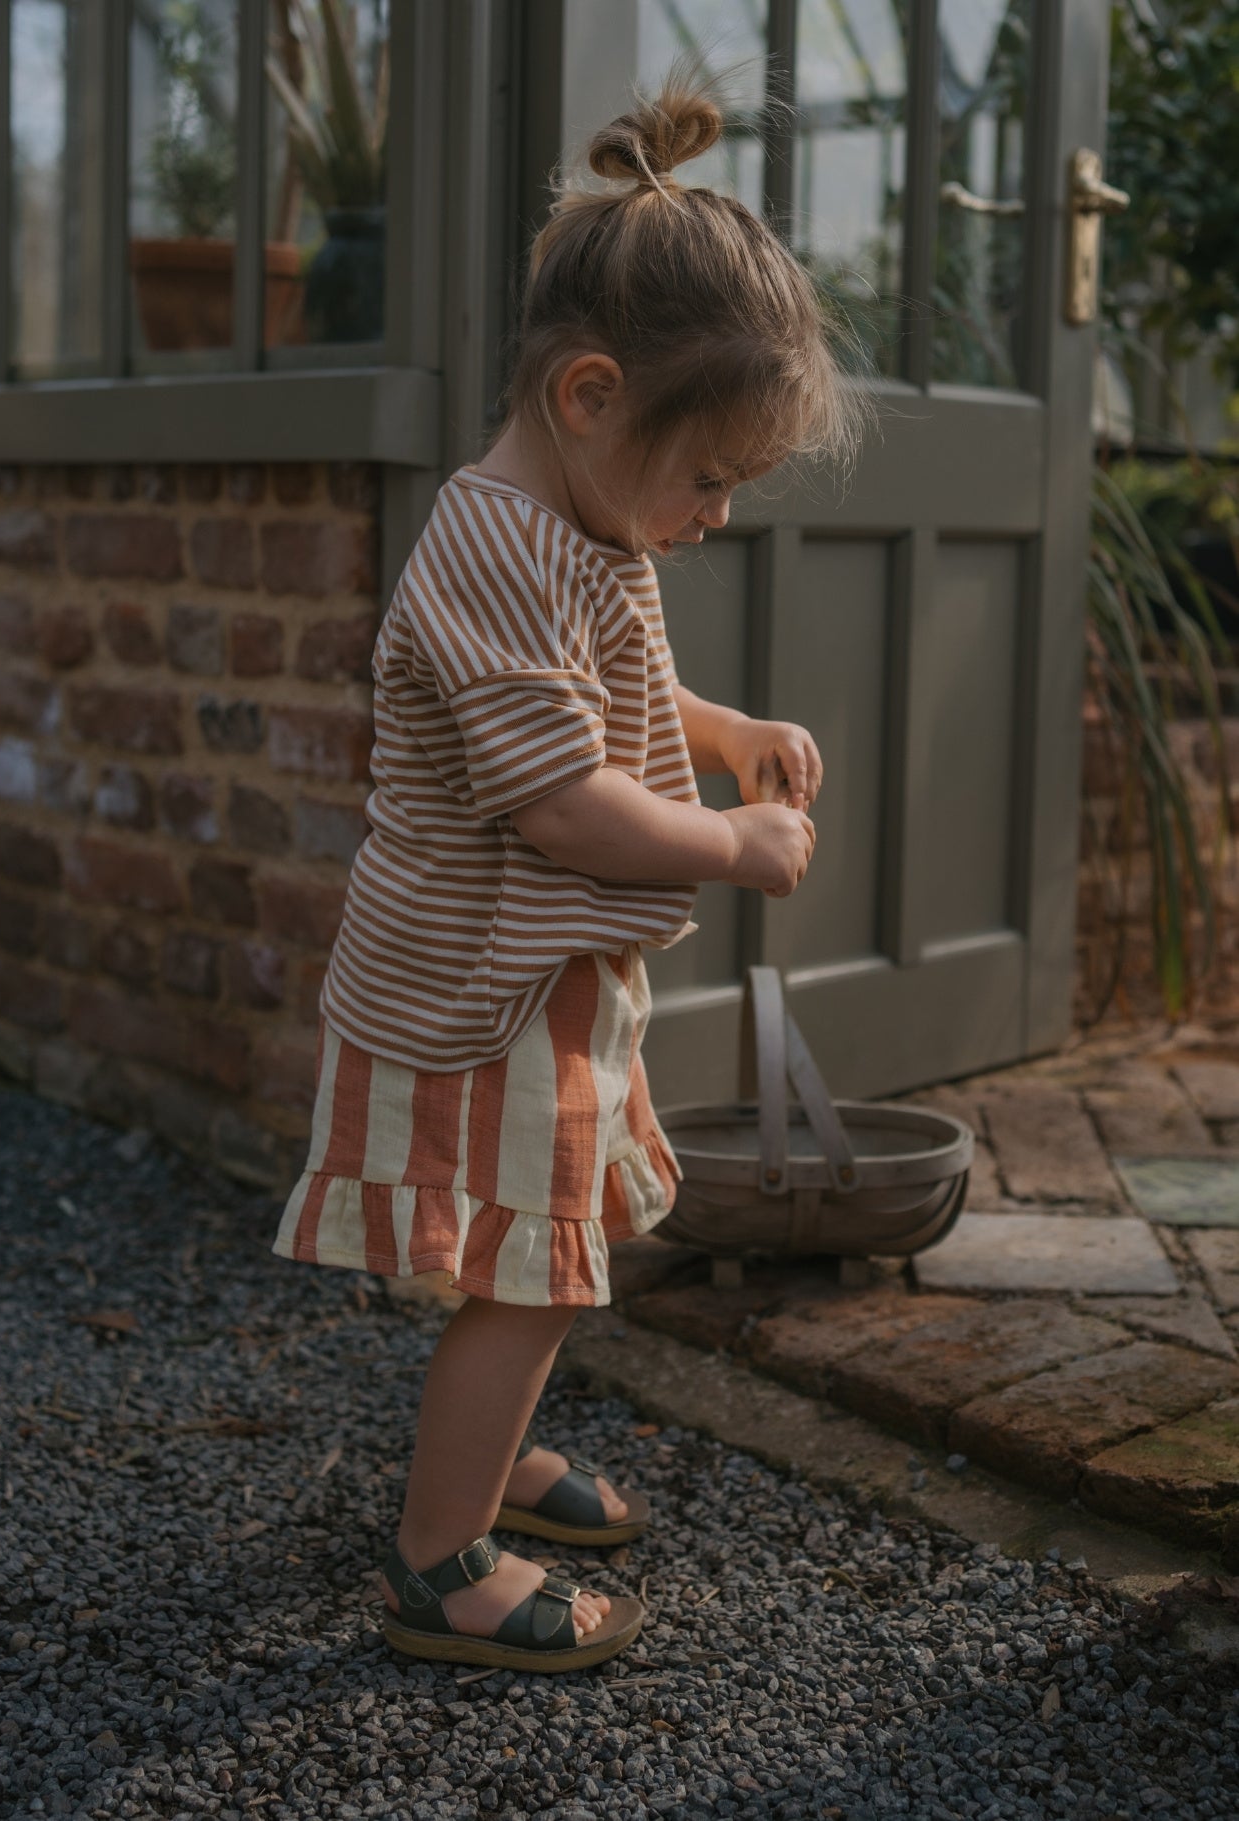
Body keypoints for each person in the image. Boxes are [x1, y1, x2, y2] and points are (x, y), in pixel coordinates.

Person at [272, 69, 868, 1673]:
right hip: (479, 978)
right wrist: (730, 843)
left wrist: (727, 732)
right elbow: (560, 801)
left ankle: (495, 1453)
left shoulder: (580, 534)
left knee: (537, 1249)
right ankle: (438, 1559)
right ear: (591, 395)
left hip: (540, 972)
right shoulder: (486, 544)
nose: (715, 513)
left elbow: (616, 693)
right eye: (708, 475)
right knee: (529, 1269)